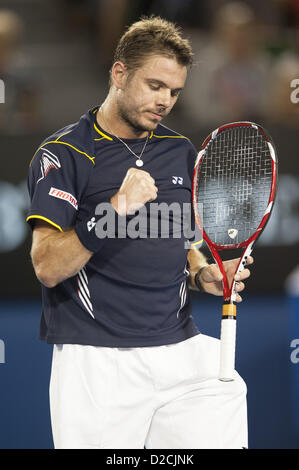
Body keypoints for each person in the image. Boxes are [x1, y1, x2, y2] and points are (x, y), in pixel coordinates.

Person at [27, 16, 253, 449]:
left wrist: (201, 273)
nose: (165, 100)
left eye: (174, 91)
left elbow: (182, 240)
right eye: (155, 85)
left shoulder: (180, 149)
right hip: (98, 365)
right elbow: (48, 266)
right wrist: (115, 209)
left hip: (182, 354)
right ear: (119, 73)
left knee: (227, 398)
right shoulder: (65, 153)